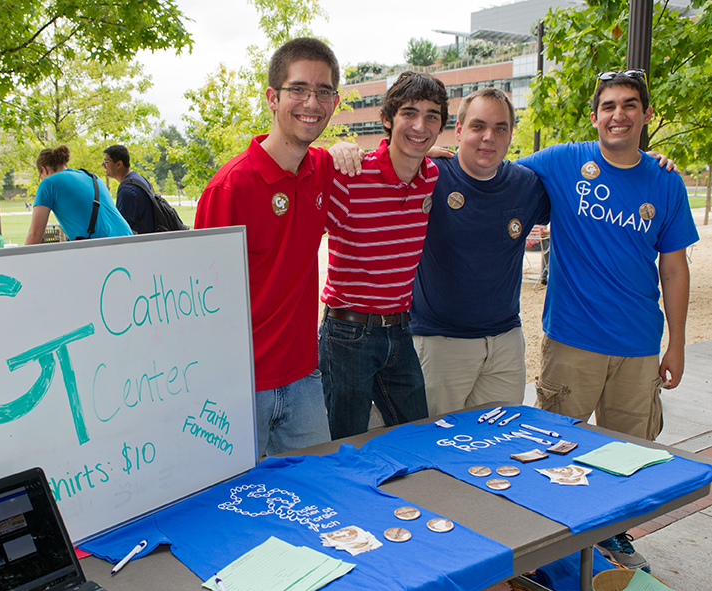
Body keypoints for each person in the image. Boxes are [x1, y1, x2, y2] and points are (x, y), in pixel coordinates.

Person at [519, 69, 698, 572]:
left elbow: (674, 266)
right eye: (609, 106)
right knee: (555, 448)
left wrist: (676, 344)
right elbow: (489, 168)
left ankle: (613, 533)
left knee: (627, 455)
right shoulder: (563, 161)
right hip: (572, 342)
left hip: (638, 346)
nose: (618, 114)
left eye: (629, 105)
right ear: (595, 115)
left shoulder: (665, 181)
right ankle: (550, 540)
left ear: (644, 115)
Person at [194, 37, 341, 457]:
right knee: (235, 507)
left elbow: (385, 165)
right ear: (272, 98)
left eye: (323, 91)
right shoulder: (230, 187)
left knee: (319, 493)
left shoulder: (323, 168)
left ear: (334, 101)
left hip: (304, 378)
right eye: (298, 89)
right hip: (240, 388)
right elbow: (202, 301)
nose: (311, 102)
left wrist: (431, 154)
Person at [319, 72, 446, 440]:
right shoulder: (352, 175)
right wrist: (333, 149)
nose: (420, 125)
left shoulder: (432, 176)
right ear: (388, 120)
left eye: (431, 116)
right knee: (345, 445)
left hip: (401, 331)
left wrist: (424, 150)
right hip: (347, 334)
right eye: (409, 113)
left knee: (417, 438)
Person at [408, 88, 551, 416]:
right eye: (478, 126)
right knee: (432, 447)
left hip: (505, 345)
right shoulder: (428, 175)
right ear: (458, 131)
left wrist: (649, 164)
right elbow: (375, 173)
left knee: (498, 444)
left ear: (511, 135)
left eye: (500, 128)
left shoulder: (527, 185)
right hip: (439, 343)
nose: (489, 137)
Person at [25, 144, 132, 244]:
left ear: (44, 170)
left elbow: (35, 234)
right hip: (128, 239)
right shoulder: (93, 177)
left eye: (41, 177)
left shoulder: (48, 184)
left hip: (101, 246)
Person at [103, 144, 155, 234]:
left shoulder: (127, 190)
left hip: (142, 243)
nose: (103, 165)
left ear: (119, 164)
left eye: (106, 161)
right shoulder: (138, 179)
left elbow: (121, 229)